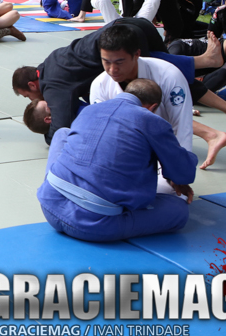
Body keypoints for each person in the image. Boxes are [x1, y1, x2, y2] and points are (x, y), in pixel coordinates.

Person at [33, 79, 197, 243]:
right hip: (93, 224)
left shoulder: (89, 110)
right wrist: (176, 171)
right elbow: (184, 173)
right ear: (153, 107)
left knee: (63, 133)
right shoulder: (152, 121)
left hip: (49, 204)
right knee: (179, 210)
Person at [89, 24, 226, 170]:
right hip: (119, 155)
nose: (112, 70)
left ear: (137, 54)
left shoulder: (169, 76)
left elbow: (181, 128)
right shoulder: (99, 84)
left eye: (119, 62)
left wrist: (179, 172)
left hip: (162, 151)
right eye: (106, 62)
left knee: (169, 189)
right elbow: (100, 133)